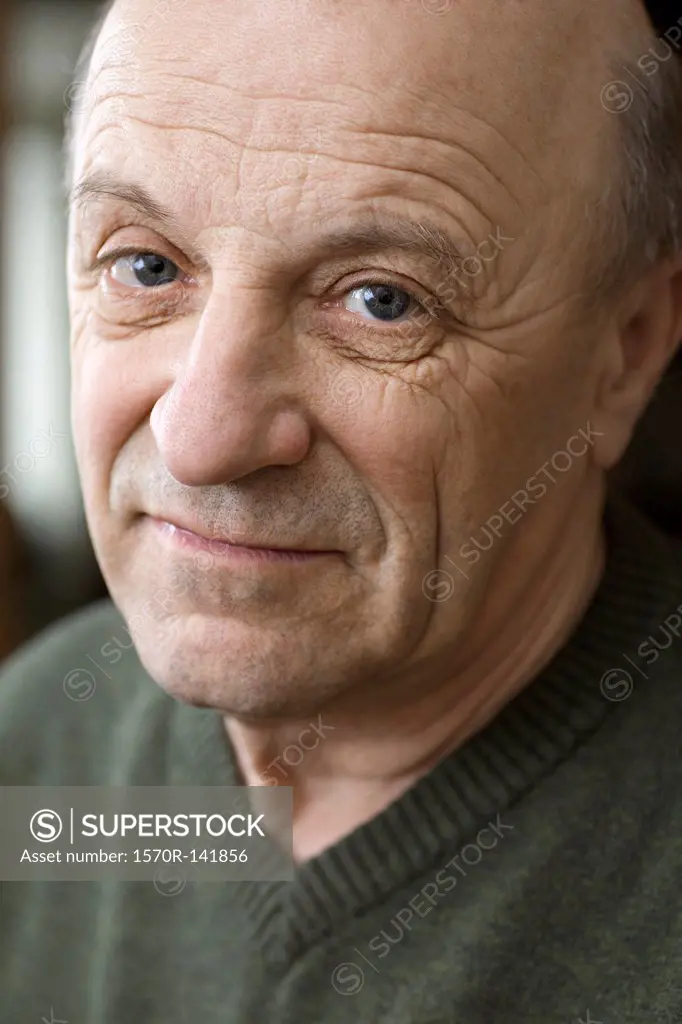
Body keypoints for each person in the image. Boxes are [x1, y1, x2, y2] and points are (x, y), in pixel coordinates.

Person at [1, 0, 682, 1020]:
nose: (202, 436)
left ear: (623, 351)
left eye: (380, 300)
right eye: (146, 266)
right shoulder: (44, 745)